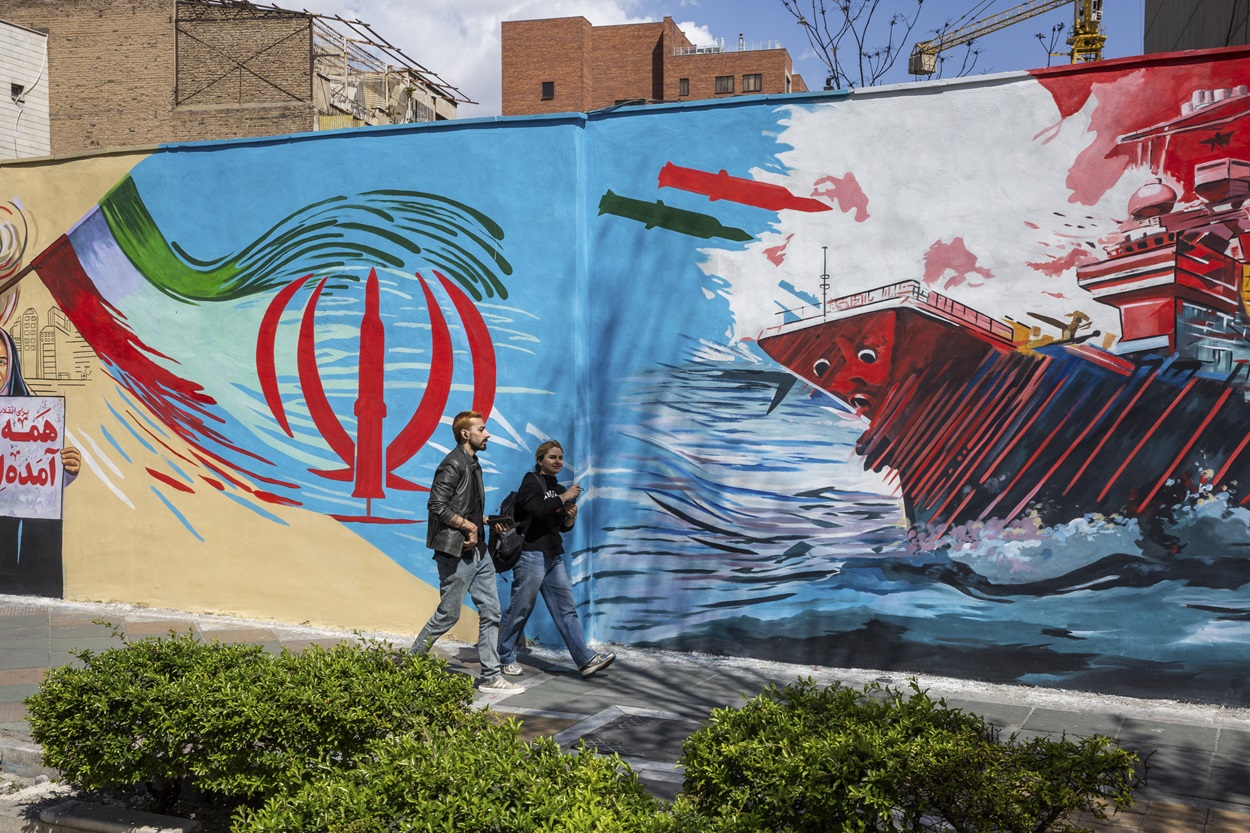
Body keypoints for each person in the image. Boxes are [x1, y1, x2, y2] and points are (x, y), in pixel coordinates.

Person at [411, 410, 522, 692]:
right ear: (465, 434)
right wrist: (468, 526)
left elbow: (463, 505)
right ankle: (409, 663)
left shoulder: (473, 463)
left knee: (492, 611)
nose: (487, 434)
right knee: (448, 614)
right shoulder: (453, 464)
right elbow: (436, 505)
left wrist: (483, 521)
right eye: (481, 429)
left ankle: (491, 676)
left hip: (479, 552)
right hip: (456, 552)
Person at [498, 440, 615, 679]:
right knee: (521, 607)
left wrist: (570, 517)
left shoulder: (558, 487)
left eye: (560, 457)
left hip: (553, 555)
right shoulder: (531, 481)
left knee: (566, 609)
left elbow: (561, 527)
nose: (558, 461)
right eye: (552, 457)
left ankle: (584, 659)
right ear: (540, 460)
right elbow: (535, 508)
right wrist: (563, 498)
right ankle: (504, 657)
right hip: (530, 553)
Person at [0, 327, 81, 597]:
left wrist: (65, 471)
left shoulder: (32, 415)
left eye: (1, 361)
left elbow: (33, 479)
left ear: (11, 366)